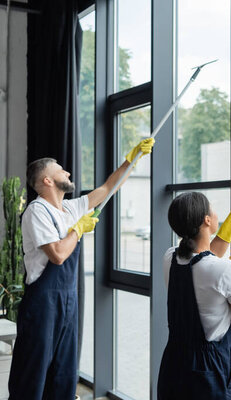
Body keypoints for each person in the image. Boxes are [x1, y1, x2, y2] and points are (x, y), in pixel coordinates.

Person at [8, 138, 155, 400]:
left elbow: (109, 187)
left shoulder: (70, 208)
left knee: (64, 371)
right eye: (61, 170)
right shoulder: (36, 211)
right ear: (47, 181)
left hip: (67, 301)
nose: (68, 172)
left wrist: (132, 159)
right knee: (33, 372)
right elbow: (57, 254)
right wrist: (78, 229)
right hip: (43, 304)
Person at [157, 188, 231, 400]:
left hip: (174, 364)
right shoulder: (225, 270)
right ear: (206, 220)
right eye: (212, 208)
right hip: (211, 372)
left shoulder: (170, 258)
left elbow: (205, 257)